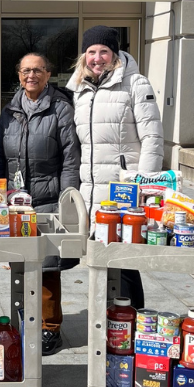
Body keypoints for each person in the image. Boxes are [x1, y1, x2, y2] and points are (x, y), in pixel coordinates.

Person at [0, 51, 80, 353]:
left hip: (48, 198)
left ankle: (50, 328)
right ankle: (24, 321)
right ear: (18, 75)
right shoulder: (9, 111)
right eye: (26, 70)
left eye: (38, 70)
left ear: (48, 74)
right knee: (20, 263)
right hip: (17, 202)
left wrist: (66, 201)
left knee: (47, 268)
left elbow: (70, 159)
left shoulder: (60, 109)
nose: (32, 76)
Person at [69, 26, 162, 308]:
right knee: (102, 257)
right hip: (93, 187)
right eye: (91, 52)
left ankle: (133, 319)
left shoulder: (135, 84)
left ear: (116, 54)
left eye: (104, 51)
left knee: (125, 258)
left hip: (124, 188)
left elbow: (152, 138)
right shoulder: (80, 89)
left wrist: (142, 186)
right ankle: (109, 323)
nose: (97, 58)